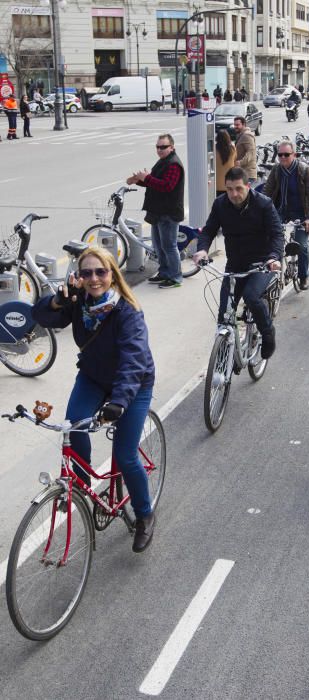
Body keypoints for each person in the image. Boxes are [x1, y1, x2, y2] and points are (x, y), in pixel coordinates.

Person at [32, 247, 157, 552]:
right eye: (86, 272)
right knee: (74, 428)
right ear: (78, 276)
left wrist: (119, 402)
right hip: (93, 376)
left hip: (133, 385)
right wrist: (58, 300)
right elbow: (41, 317)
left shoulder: (128, 311)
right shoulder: (79, 302)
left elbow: (133, 359)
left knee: (126, 455)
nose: (93, 278)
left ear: (112, 274)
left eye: (100, 272)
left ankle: (144, 515)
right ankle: (82, 486)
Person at [193, 167, 283, 359]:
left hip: (263, 263)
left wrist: (274, 257)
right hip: (235, 264)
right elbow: (209, 230)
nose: (234, 194)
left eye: (238, 188)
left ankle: (268, 333)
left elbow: (277, 234)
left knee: (251, 297)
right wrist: (202, 250)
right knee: (224, 314)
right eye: (229, 189)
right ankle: (222, 361)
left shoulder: (263, 204)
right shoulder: (220, 204)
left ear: (248, 186)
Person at [126, 133, 184, 288]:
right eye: (158, 147)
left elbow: (167, 186)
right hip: (157, 212)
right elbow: (154, 183)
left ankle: (176, 277)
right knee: (159, 247)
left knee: (169, 246)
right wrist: (139, 180)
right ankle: (164, 273)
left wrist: (147, 178)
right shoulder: (163, 162)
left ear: (172, 147)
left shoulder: (174, 164)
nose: (160, 150)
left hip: (169, 213)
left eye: (163, 147)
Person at [263, 139, 309, 290]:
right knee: (271, 242)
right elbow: (267, 192)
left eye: (286, 155)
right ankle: (268, 277)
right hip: (280, 211)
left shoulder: (304, 170)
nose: (282, 158)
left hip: (301, 213)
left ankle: (303, 276)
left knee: (301, 245)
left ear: (294, 154)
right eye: (280, 155)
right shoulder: (276, 170)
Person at [233, 116, 257, 184]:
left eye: (237, 125)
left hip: (248, 174)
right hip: (243, 172)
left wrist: (240, 163)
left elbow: (251, 152)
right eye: (234, 125)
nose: (235, 126)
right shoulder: (241, 135)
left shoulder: (247, 135)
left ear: (243, 125)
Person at [215, 129, 237, 197]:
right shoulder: (232, 149)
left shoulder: (214, 149)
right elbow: (235, 160)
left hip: (217, 184)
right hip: (229, 182)